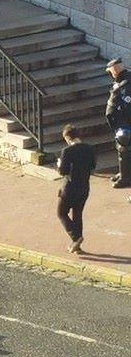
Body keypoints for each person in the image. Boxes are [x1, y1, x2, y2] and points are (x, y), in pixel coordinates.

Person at [56, 124, 96, 255]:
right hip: (84, 187)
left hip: (69, 188)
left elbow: (63, 171)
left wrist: (58, 164)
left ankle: (76, 237)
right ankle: (77, 246)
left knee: (61, 213)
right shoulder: (90, 149)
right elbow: (93, 166)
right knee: (77, 214)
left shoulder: (67, 151)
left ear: (67, 137)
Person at [105, 58, 131, 188]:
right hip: (123, 122)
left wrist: (118, 124)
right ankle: (123, 173)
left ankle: (126, 177)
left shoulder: (124, 85)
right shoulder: (125, 80)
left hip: (125, 124)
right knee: (123, 149)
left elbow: (124, 106)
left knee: (124, 149)